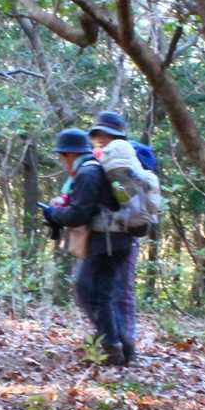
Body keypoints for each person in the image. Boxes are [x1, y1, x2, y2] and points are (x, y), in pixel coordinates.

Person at [39, 127, 134, 366]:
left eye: (62, 156)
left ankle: (113, 349)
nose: (62, 162)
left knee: (91, 291)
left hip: (107, 242)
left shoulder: (88, 173)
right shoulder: (93, 169)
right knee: (99, 292)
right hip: (114, 240)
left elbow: (78, 215)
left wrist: (53, 214)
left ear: (69, 154)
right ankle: (120, 345)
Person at [87, 111, 142, 365]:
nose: (100, 139)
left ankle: (118, 348)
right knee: (114, 291)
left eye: (103, 134)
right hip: (125, 232)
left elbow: (121, 198)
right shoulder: (124, 159)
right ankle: (120, 346)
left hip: (113, 234)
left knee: (109, 292)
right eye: (97, 135)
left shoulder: (114, 159)